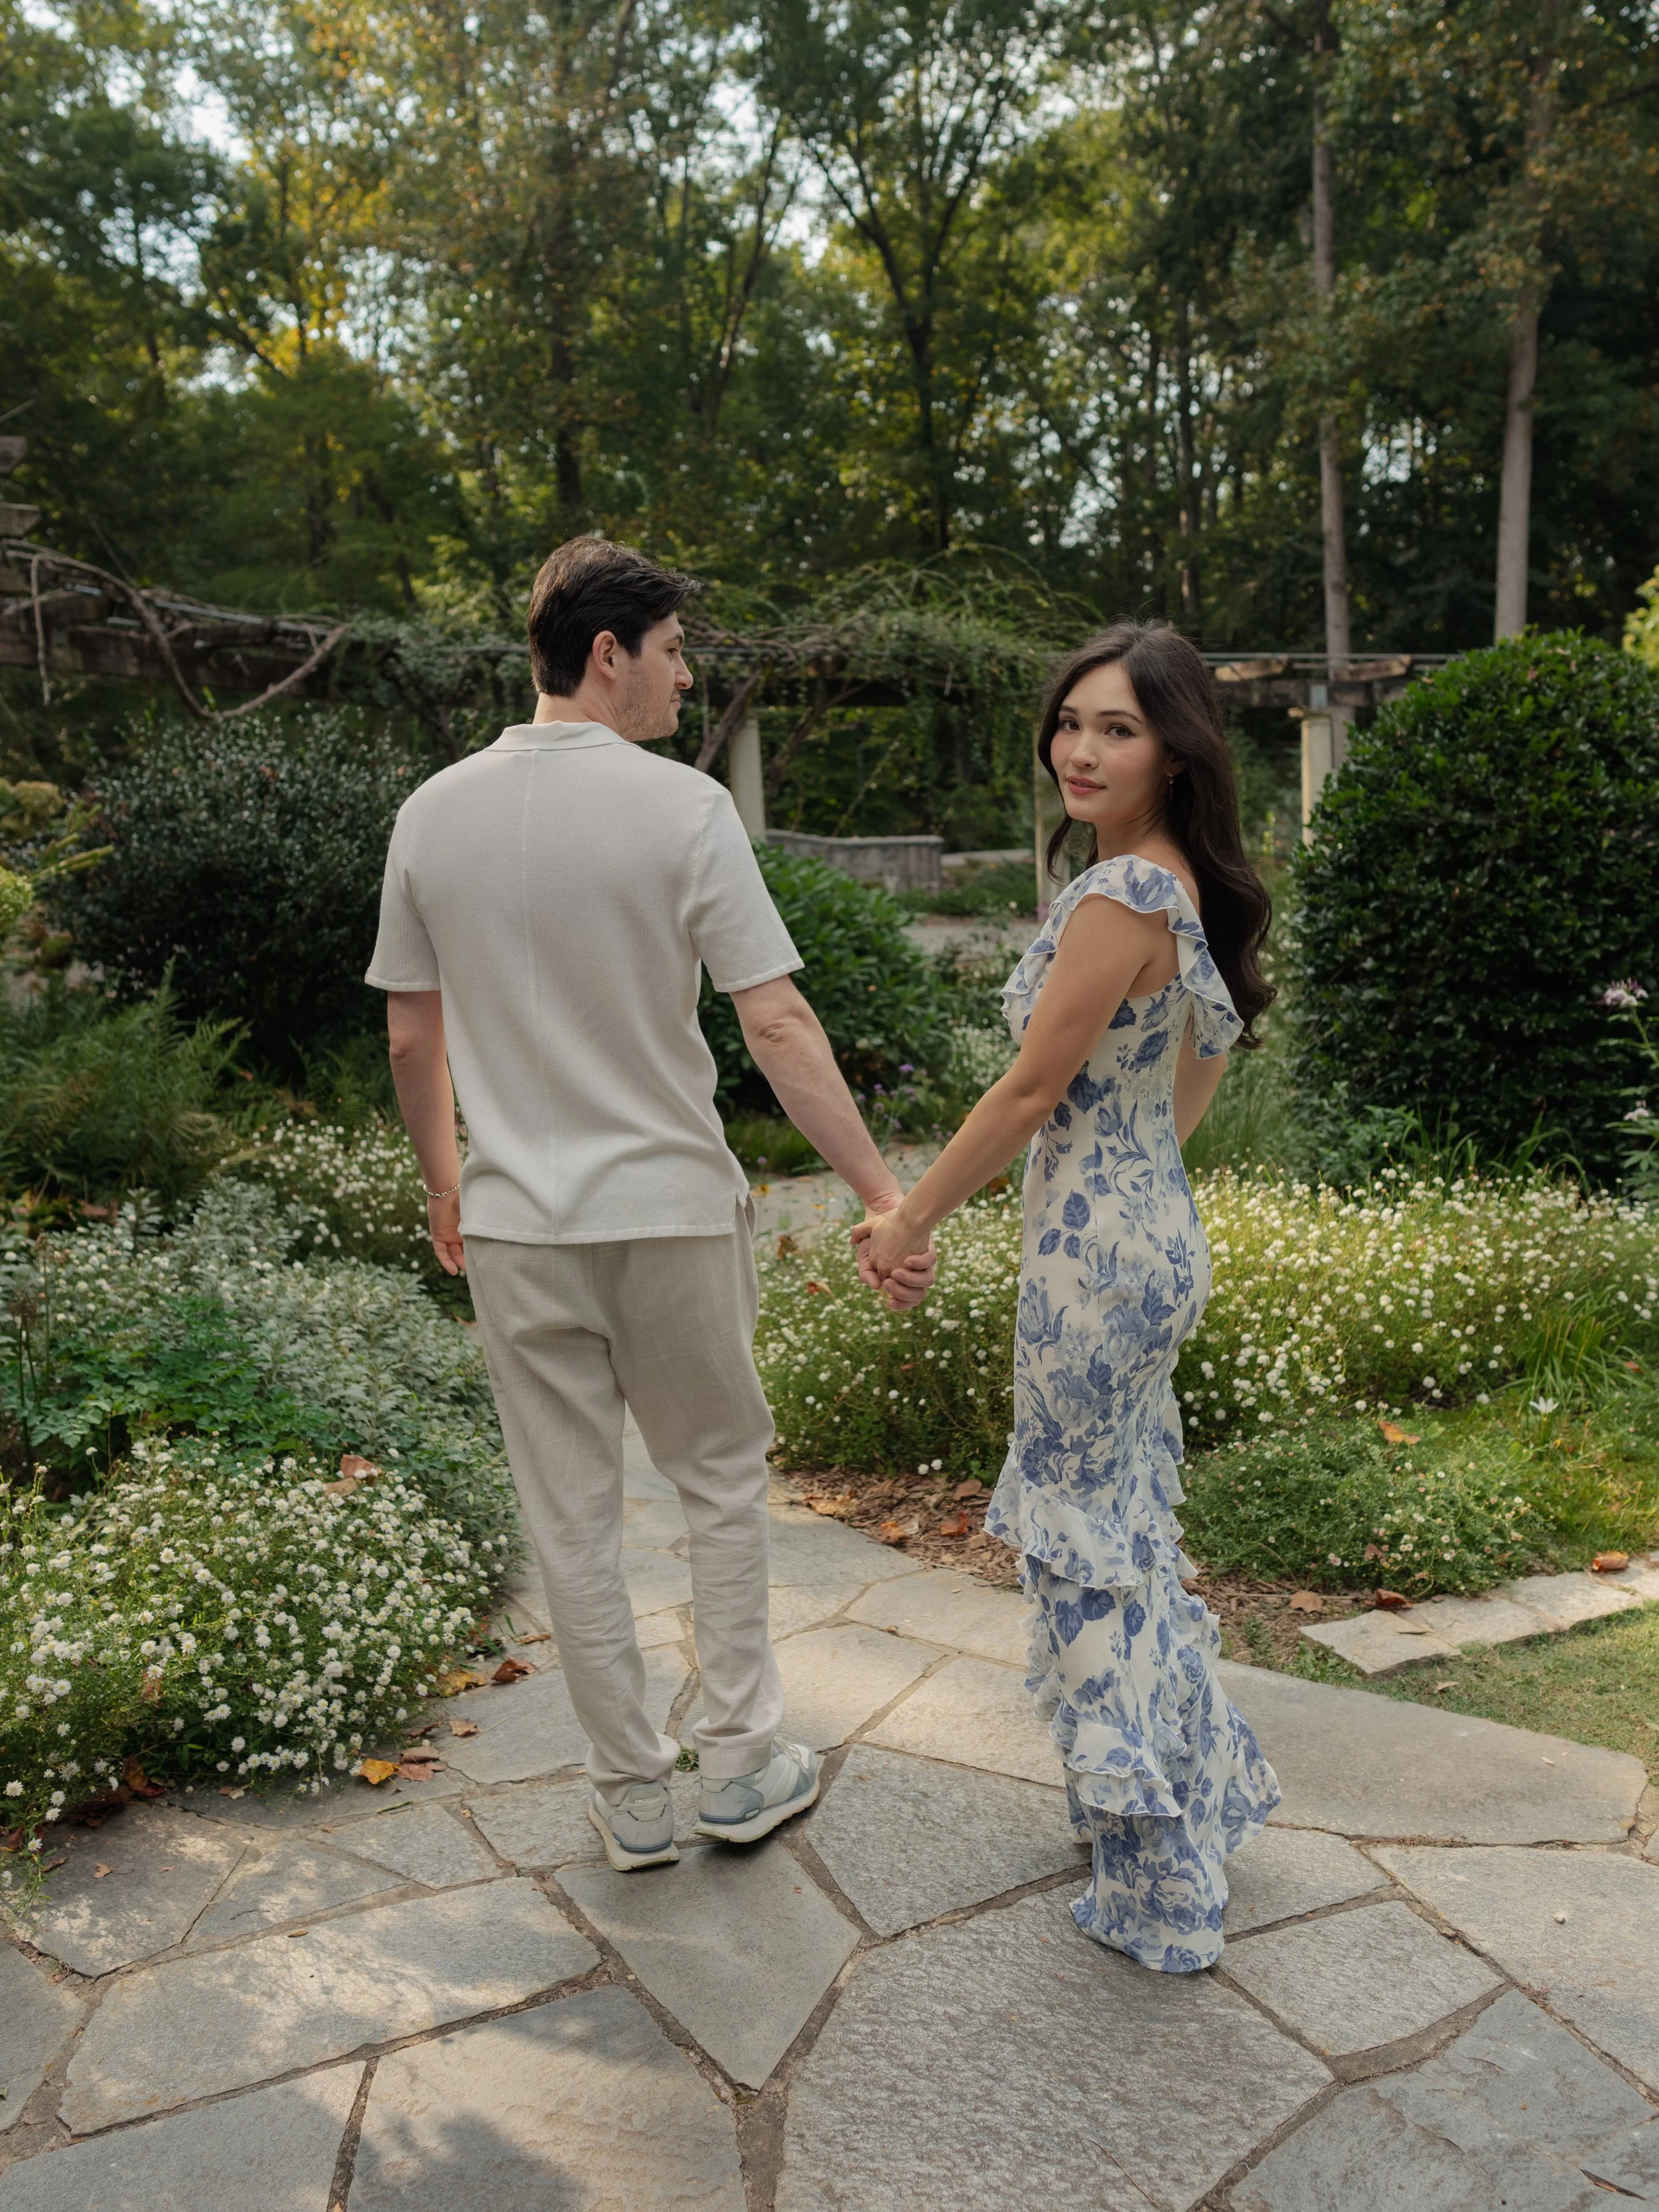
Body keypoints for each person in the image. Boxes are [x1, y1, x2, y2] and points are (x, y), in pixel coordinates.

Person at [367, 537, 934, 1875]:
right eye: (674, 651)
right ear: (607, 654)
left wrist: (447, 1181)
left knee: (568, 1514)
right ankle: (739, 1766)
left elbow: (408, 1035)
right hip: (670, 1209)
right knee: (718, 1484)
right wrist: (878, 1193)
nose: (686, 677)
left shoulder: (428, 813)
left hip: (515, 1223)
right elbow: (777, 1021)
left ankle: (630, 1795)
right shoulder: (683, 812)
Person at [859, 621, 1280, 1971]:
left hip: (1093, 1266)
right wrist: (1128, 1184)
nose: (1082, 751)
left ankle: (1154, 1874)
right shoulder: (1180, 887)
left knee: (1080, 1548)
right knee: (1124, 1538)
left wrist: (906, 1214)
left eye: (1118, 729)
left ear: (1173, 751)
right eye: (1070, 723)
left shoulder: (1116, 900)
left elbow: (1032, 1090)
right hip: (1152, 1238)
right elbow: (1190, 1082)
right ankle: (1162, 1798)